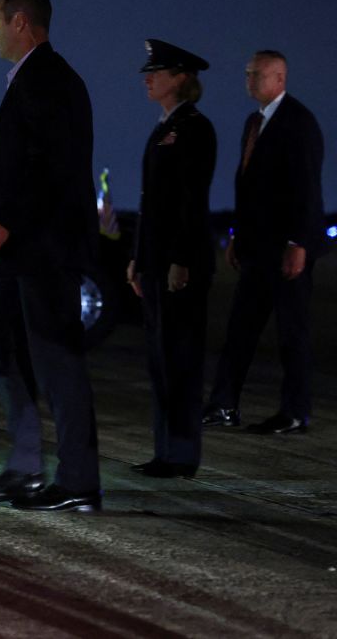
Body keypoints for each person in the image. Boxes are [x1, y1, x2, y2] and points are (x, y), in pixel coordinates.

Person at [0, 0, 101, 512]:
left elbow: (53, 166)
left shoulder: (48, 80)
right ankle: (25, 468)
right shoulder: (32, 79)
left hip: (45, 247)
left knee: (57, 360)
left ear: (21, 22)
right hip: (25, 250)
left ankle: (79, 483)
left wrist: (6, 222)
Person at [203, 50, 326, 434]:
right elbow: (248, 188)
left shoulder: (298, 123)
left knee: (293, 332)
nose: (249, 80)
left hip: (285, 247)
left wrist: (299, 243)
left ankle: (294, 411)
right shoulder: (254, 123)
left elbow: (307, 188)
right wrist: (237, 235)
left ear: (279, 79)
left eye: (257, 74)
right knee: (240, 329)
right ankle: (224, 405)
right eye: (247, 73)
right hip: (256, 247)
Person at [125, 39, 216, 477]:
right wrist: (138, 259)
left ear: (180, 77)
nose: (148, 79)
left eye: (157, 72)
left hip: (179, 264)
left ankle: (181, 456)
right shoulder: (165, 127)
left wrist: (180, 259)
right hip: (156, 262)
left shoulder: (195, 128)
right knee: (161, 359)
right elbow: (151, 202)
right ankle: (165, 451)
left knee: (180, 360)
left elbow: (189, 202)